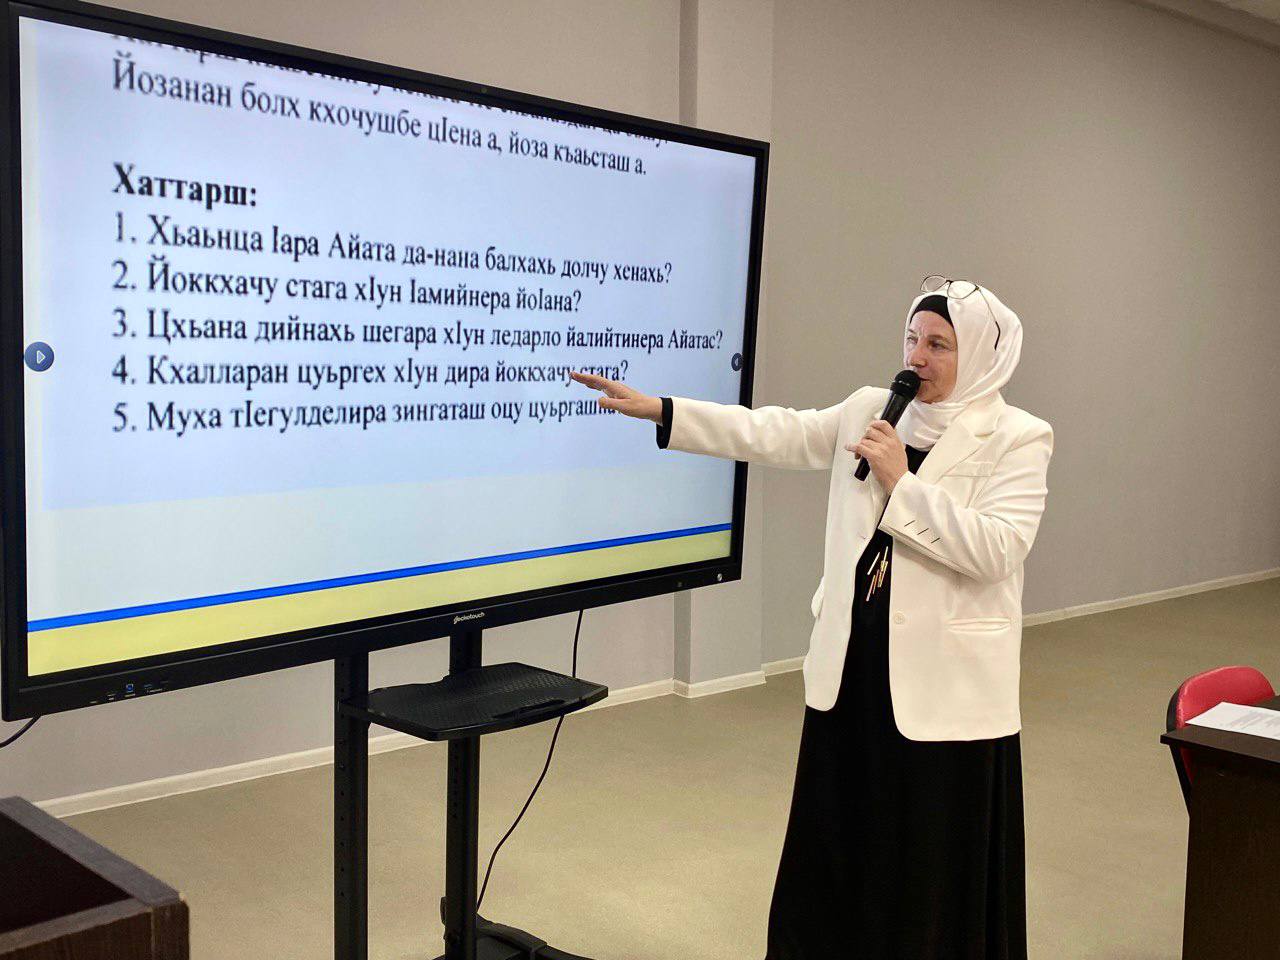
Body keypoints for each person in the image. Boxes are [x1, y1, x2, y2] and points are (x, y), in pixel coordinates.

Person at [570, 276, 1053, 959]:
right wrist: (662, 411)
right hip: (852, 669)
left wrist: (901, 483)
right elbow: (776, 431)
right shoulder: (870, 411)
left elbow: (997, 550)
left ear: (979, 354)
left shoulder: (1018, 437)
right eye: (912, 338)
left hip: (946, 688)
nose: (917, 356)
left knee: (924, 857)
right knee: (838, 844)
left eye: (939, 345)